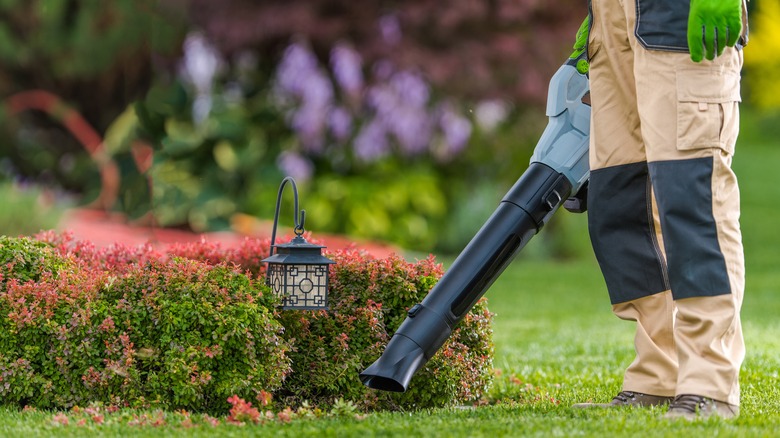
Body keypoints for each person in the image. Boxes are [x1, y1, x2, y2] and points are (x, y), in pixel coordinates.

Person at [570, 0, 749, 420]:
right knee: (622, 199)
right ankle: (658, 375)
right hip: (613, 19)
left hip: (679, 14)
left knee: (693, 200)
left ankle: (709, 382)